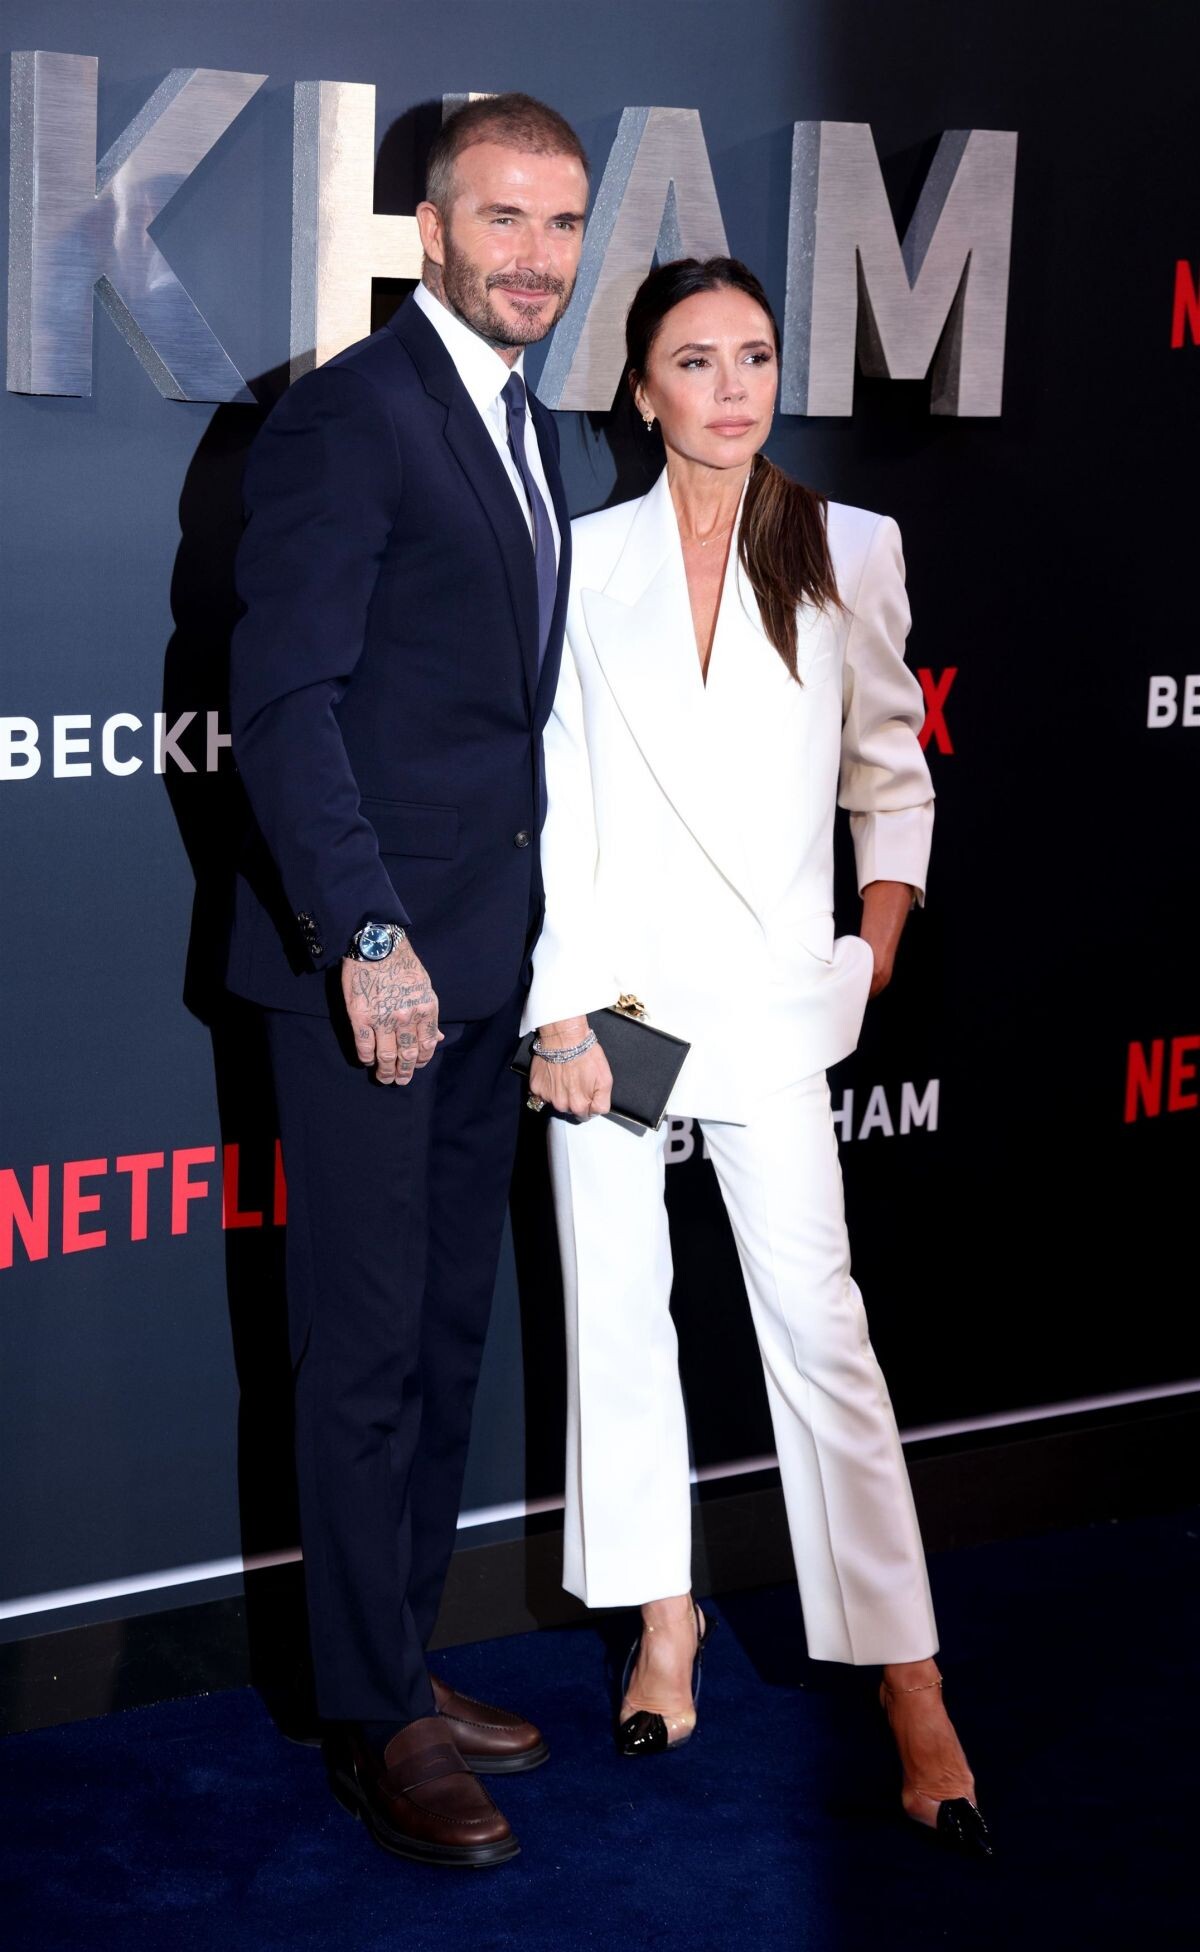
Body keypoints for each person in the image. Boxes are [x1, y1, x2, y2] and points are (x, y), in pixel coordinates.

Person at [523, 257, 992, 1857]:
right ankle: (665, 1620)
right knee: (615, 1313)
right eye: (695, 359)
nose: (732, 387)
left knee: (822, 1335)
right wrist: (560, 1011)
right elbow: (563, 804)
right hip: (622, 1011)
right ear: (641, 389)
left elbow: (892, 777)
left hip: (773, 1007)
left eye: (755, 356)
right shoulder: (583, 559)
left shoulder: (847, 546)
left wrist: (871, 950)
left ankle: (910, 1677)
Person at [226, 94, 589, 1869]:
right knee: (364, 1350)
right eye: (501, 218)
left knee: (445, 1339)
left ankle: (402, 1656)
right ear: (429, 232)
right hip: (370, 978)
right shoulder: (350, 415)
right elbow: (285, 704)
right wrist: (369, 939)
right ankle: (374, 1724)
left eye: (563, 223)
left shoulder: (540, 431)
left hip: (494, 973)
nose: (536, 256)